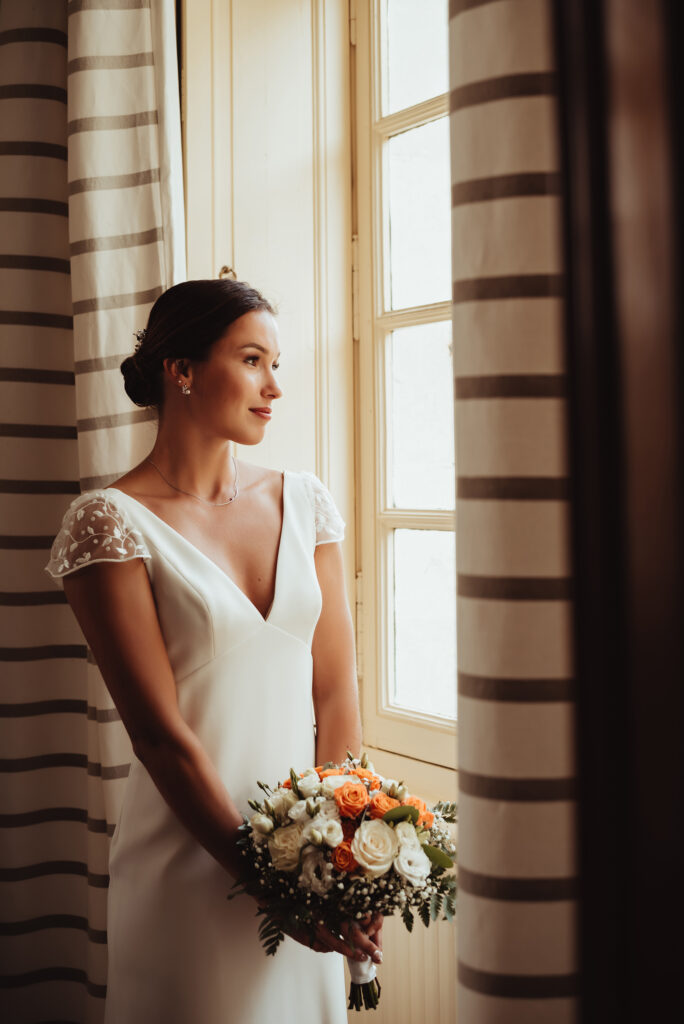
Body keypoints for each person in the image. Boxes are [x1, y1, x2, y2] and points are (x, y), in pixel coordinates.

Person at [44, 278, 383, 1023]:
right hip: (190, 865)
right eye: (254, 360)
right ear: (183, 370)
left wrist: (346, 856)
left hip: (308, 862)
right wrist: (269, 884)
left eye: (277, 363)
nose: (275, 387)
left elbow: (337, 697)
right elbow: (161, 738)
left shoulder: (305, 500)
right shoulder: (108, 524)